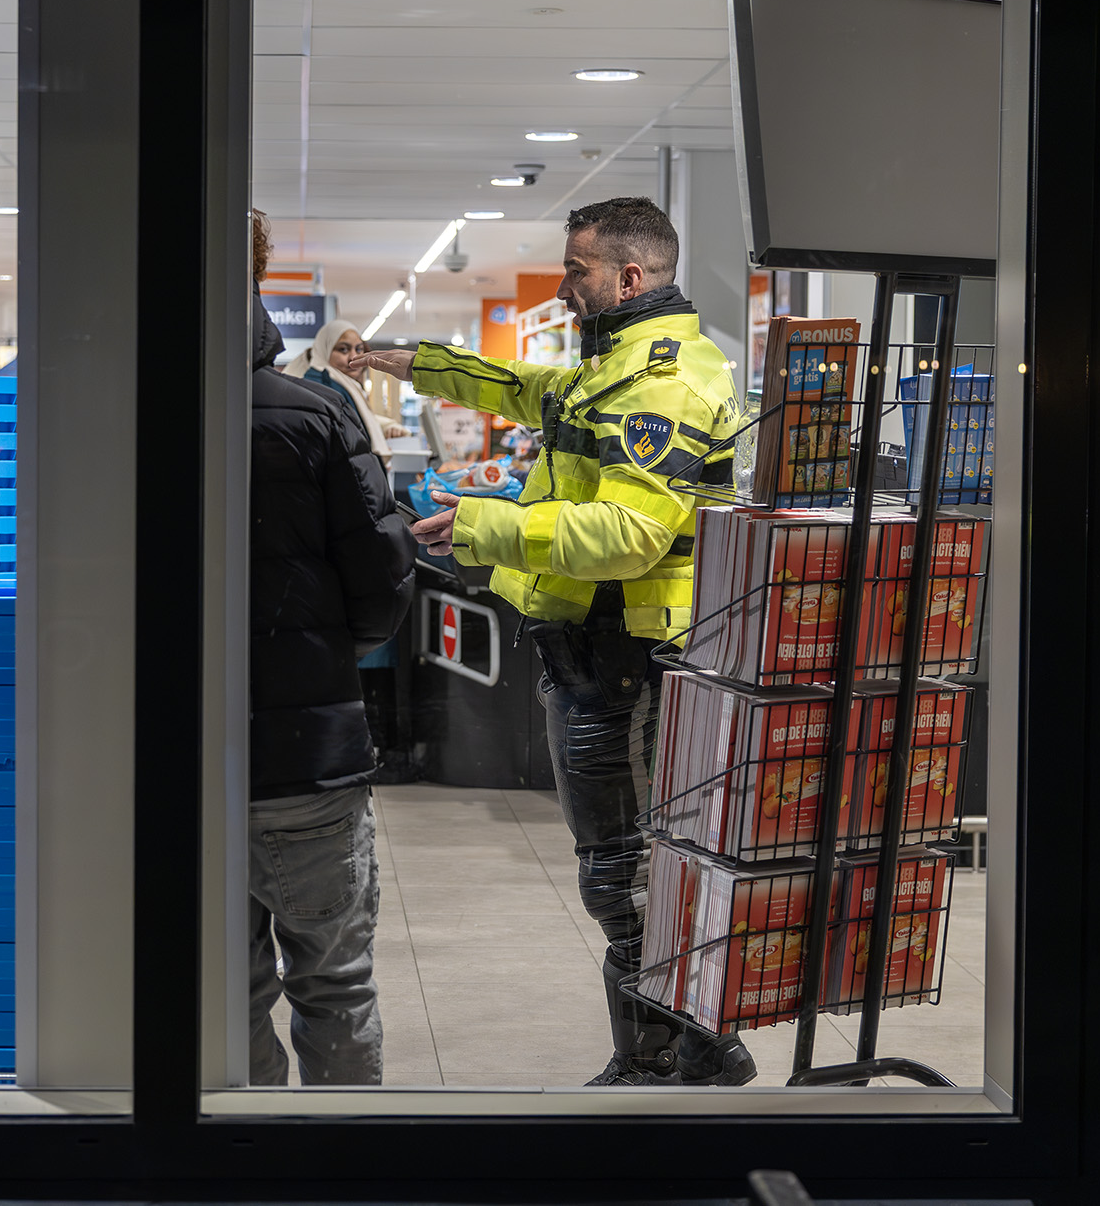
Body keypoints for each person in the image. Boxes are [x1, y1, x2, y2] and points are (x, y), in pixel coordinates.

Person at [351, 196, 754, 1087]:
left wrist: (487, 527)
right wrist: (405, 359)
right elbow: (519, 388)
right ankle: (677, 1050)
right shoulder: (607, 369)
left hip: (628, 659)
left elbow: (627, 534)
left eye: (576, 269)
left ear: (630, 276)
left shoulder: (666, 384)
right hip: (588, 653)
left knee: (624, 873)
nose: (564, 285)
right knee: (624, 866)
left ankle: (680, 1054)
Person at [248, 210, 415, 1085]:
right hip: (308, 762)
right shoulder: (317, 416)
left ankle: (230, 1169)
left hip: (172, 766)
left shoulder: (121, 411)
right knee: (336, 985)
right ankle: (337, 1170)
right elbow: (380, 583)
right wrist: (317, 652)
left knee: (210, 994)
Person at [282, 319, 412, 466]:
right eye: (343, 349)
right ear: (325, 349)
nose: (353, 357)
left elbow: (353, 420)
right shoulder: (323, 385)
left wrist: (386, 426)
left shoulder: (341, 383)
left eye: (358, 349)